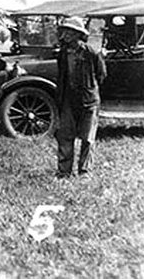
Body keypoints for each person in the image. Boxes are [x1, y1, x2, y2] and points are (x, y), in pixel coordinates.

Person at [54, 16, 106, 178]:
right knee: (65, 136)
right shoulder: (62, 54)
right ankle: (64, 171)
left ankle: (84, 171)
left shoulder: (91, 52)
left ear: (78, 34)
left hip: (89, 100)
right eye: (65, 31)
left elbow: (101, 74)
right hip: (69, 100)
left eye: (70, 31)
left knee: (87, 137)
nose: (66, 35)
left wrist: (89, 89)